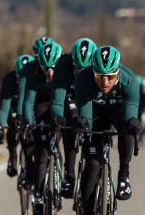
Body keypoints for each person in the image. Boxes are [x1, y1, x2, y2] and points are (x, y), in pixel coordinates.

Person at [70, 46, 142, 215]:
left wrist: (133, 124)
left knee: (127, 128)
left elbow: (130, 113)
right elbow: (86, 117)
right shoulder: (83, 80)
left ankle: (124, 176)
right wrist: (82, 124)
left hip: (119, 109)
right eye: (100, 76)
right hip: (96, 112)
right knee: (92, 166)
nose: (105, 82)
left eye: (110, 76)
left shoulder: (130, 80)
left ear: (117, 72)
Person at [20, 43, 63, 215]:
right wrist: (28, 123)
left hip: (60, 103)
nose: (50, 74)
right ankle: (38, 202)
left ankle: (62, 181)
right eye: (46, 69)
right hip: (41, 103)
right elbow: (28, 100)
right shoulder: (33, 69)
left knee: (58, 145)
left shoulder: (65, 66)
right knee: (42, 152)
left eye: (53, 68)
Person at [50, 38, 97, 199]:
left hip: (91, 96)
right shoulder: (62, 65)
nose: (81, 73)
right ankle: (70, 176)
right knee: (71, 120)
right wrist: (57, 115)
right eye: (78, 68)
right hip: (71, 97)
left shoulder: (98, 68)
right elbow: (57, 99)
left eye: (86, 69)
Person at [0, 55, 35, 177]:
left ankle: (29, 160)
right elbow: (4, 107)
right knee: (13, 123)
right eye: (18, 77)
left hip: (29, 104)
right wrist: (0, 129)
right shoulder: (8, 80)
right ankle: (12, 155)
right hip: (13, 106)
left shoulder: (36, 78)